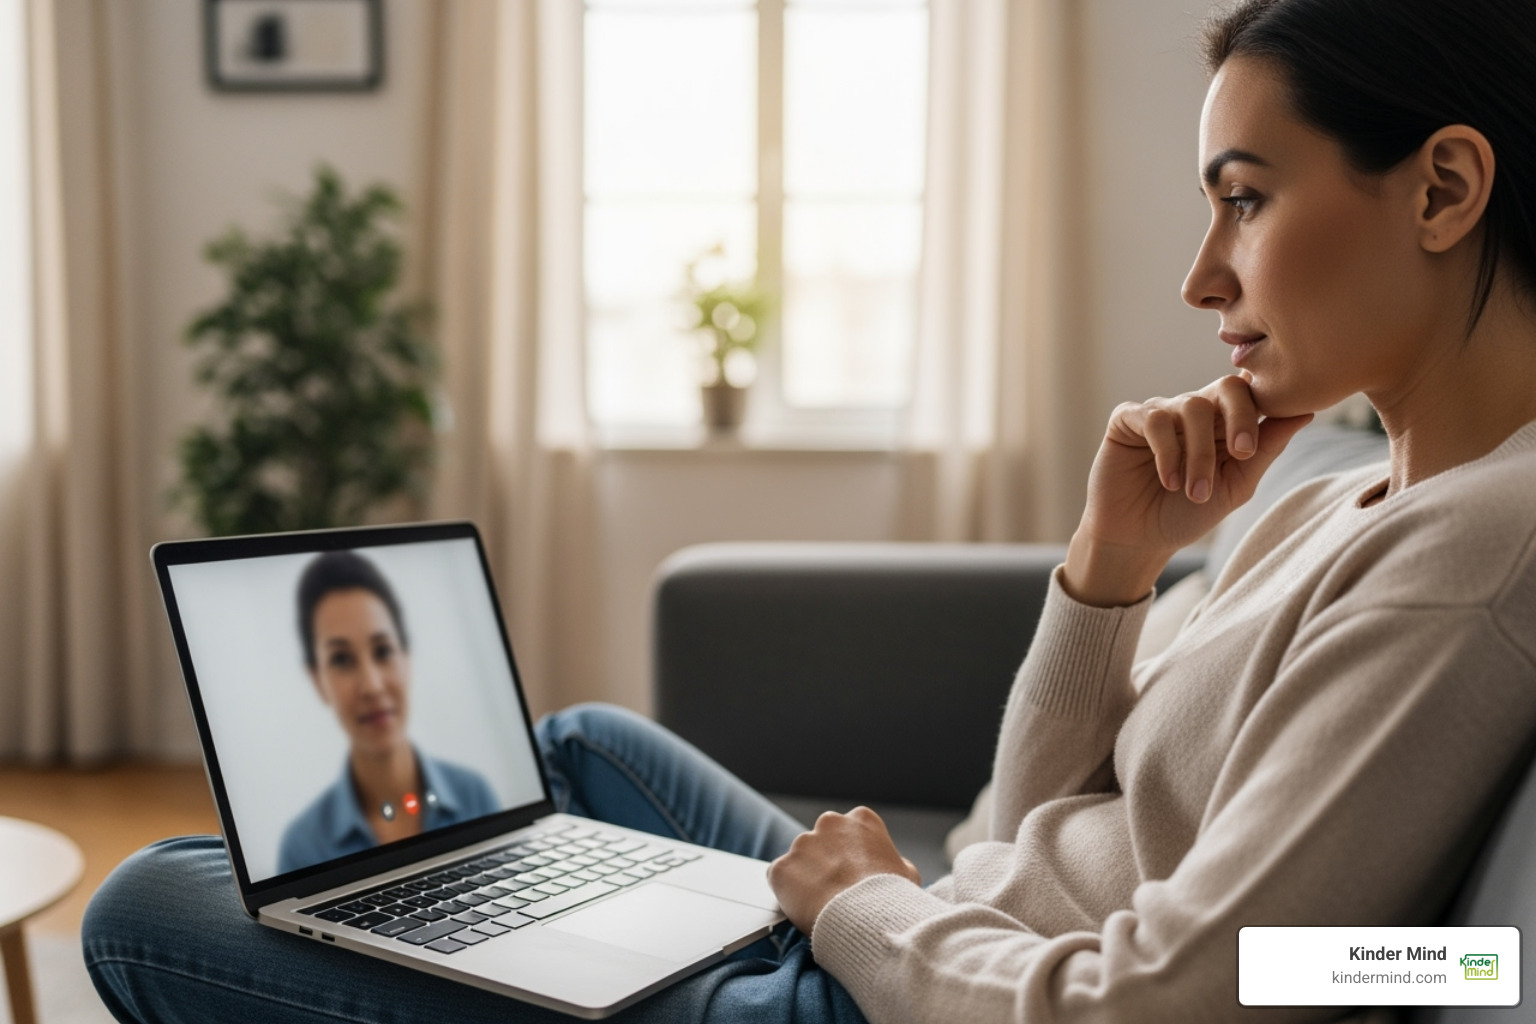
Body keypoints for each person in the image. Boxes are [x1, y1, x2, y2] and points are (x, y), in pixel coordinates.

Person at [82, 0, 1536, 1021]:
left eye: (1247, 199)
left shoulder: (1475, 551)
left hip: (888, 995)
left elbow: (1189, 1000)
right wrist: (1110, 572)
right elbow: (1018, 827)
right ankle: (506, 945)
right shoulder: (1334, 496)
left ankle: (497, 957)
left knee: (147, 903)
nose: (1201, 275)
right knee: (580, 749)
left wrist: (857, 920)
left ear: (1445, 188)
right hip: (935, 938)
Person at [278, 550, 500, 875]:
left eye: (383, 651)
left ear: (407, 659)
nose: (372, 686)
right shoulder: (303, 846)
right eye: (341, 659)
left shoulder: (475, 795)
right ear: (317, 680)